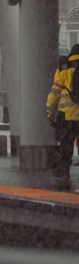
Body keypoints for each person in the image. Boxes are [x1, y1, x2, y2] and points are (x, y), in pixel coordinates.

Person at [46, 43, 79, 178]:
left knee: (66, 147)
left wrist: (49, 111)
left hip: (67, 117)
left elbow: (55, 93)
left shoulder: (63, 70)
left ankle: (64, 172)